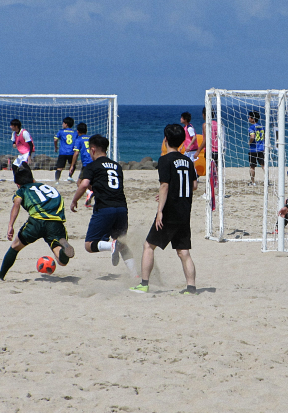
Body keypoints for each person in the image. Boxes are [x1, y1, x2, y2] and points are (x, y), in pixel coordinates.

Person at [130, 124, 198, 295]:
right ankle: (191, 287)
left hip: (170, 211)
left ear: (165, 140)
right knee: (183, 252)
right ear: (182, 141)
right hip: (184, 210)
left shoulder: (164, 160)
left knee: (148, 246)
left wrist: (160, 210)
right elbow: (194, 185)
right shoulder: (188, 161)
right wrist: (171, 192)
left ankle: (144, 284)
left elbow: (164, 185)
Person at [0, 162, 74, 280]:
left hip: (36, 222)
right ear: (33, 179)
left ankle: (0, 275)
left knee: (15, 246)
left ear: (18, 184)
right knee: (61, 261)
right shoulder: (48, 187)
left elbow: (16, 205)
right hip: (56, 222)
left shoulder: (22, 190)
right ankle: (64, 251)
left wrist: (10, 225)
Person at [69, 134, 138, 277]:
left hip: (105, 208)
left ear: (93, 150)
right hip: (122, 208)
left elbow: (84, 184)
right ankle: (135, 275)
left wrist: (74, 200)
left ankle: (111, 245)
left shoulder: (92, 166)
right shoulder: (117, 166)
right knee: (122, 243)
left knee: (89, 245)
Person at [69, 122, 95, 207]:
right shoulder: (91, 139)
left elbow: (76, 153)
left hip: (87, 164)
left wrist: (72, 165)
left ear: (77, 131)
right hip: (94, 162)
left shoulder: (79, 140)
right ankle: (90, 199)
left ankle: (89, 193)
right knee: (90, 183)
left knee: (79, 183)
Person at [54, 117, 77, 183]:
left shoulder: (61, 131)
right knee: (72, 165)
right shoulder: (75, 132)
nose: (62, 124)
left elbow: (55, 139)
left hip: (63, 152)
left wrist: (56, 147)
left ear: (66, 124)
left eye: (63, 123)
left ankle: (57, 181)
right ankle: (69, 176)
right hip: (71, 152)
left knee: (59, 167)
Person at [248, 110, 265, 185]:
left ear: (253, 119)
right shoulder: (262, 127)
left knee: (252, 166)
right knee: (263, 165)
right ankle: (267, 180)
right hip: (261, 149)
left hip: (253, 149)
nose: (248, 118)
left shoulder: (251, 127)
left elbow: (252, 136)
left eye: (250, 117)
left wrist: (249, 142)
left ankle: (253, 182)